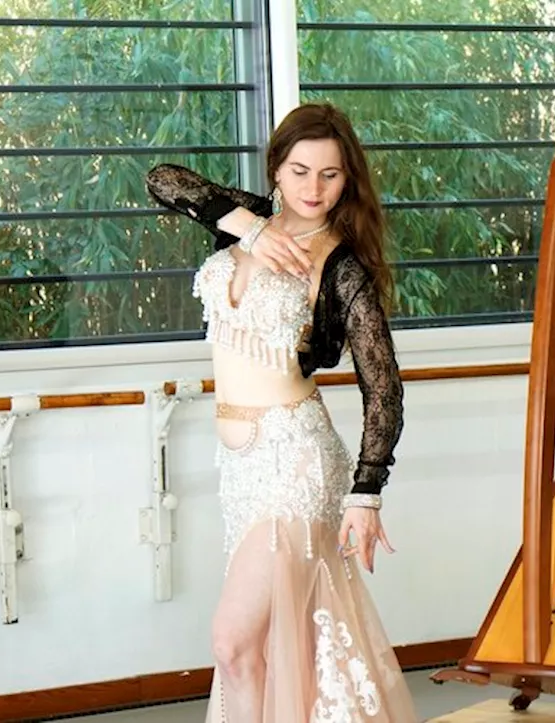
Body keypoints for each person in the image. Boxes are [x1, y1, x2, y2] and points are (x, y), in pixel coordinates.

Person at [144, 102, 417, 723]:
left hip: (294, 462)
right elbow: (161, 179)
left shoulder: (341, 266)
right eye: (298, 171)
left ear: (348, 180)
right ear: (275, 168)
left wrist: (365, 493)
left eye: (330, 175)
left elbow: (385, 388)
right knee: (264, 648)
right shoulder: (246, 222)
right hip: (238, 467)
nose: (313, 189)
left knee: (232, 643)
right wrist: (252, 228)